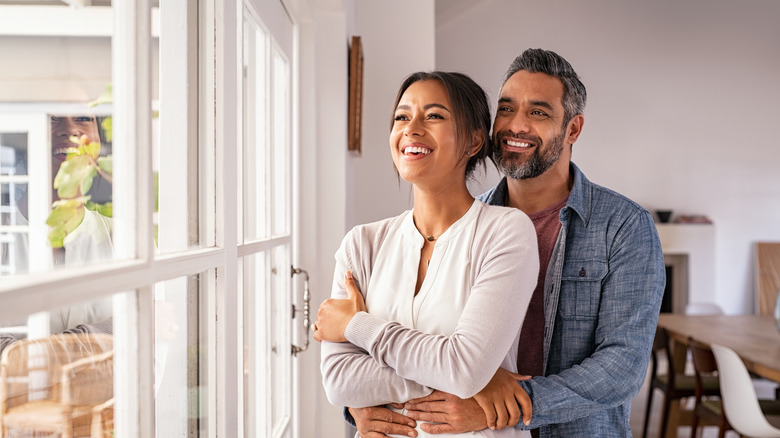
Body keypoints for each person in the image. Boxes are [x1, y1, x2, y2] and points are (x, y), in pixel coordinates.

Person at [347, 49, 666, 437]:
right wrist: (361, 403)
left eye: (538, 112)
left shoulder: (622, 226)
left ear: (573, 129)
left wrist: (510, 404)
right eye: (506, 109)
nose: (516, 126)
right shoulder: (464, 225)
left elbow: (623, 366)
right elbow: (423, 342)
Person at [314, 71, 540, 437]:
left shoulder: (506, 232)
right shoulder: (361, 244)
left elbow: (464, 368)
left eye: (434, 116)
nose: (412, 128)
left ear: (473, 142)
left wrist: (355, 326)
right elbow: (339, 381)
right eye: (402, 117)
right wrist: (471, 379)